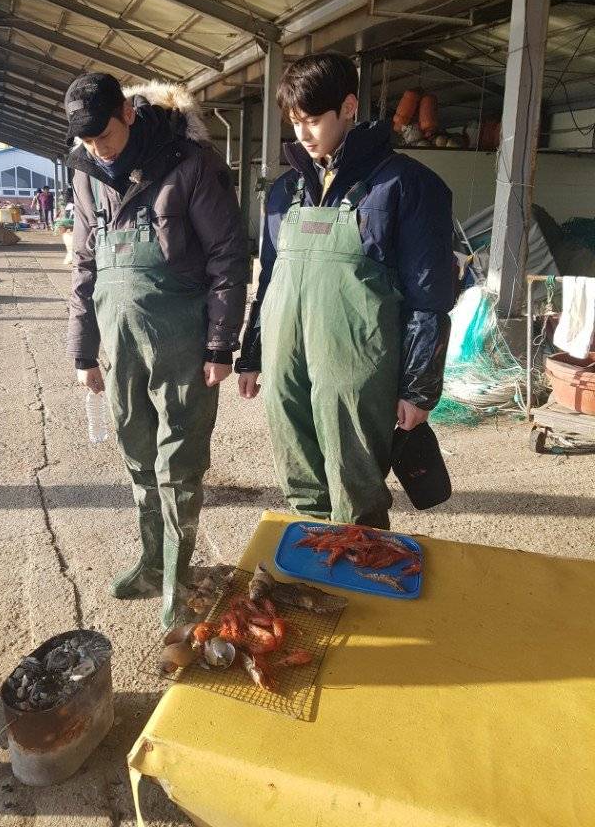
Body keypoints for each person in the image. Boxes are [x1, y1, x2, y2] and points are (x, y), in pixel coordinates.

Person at [236, 52, 454, 529]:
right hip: (285, 363)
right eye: (295, 122)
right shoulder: (283, 192)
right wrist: (252, 355)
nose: (303, 134)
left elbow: (430, 298)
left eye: (313, 120)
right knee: (300, 478)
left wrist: (419, 388)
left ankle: (363, 577)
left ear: (350, 107)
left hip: (357, 370)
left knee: (356, 488)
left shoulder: (407, 186)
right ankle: (313, 572)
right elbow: (269, 279)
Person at [66, 73, 248, 628]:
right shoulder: (87, 174)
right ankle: (149, 561)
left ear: (127, 111)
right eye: (86, 141)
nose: (98, 148)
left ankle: (178, 574)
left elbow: (226, 257)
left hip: (181, 340)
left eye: (104, 135)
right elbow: (84, 265)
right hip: (118, 341)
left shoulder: (188, 162)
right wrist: (83, 351)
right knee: (135, 449)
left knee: (180, 458)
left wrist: (221, 344)